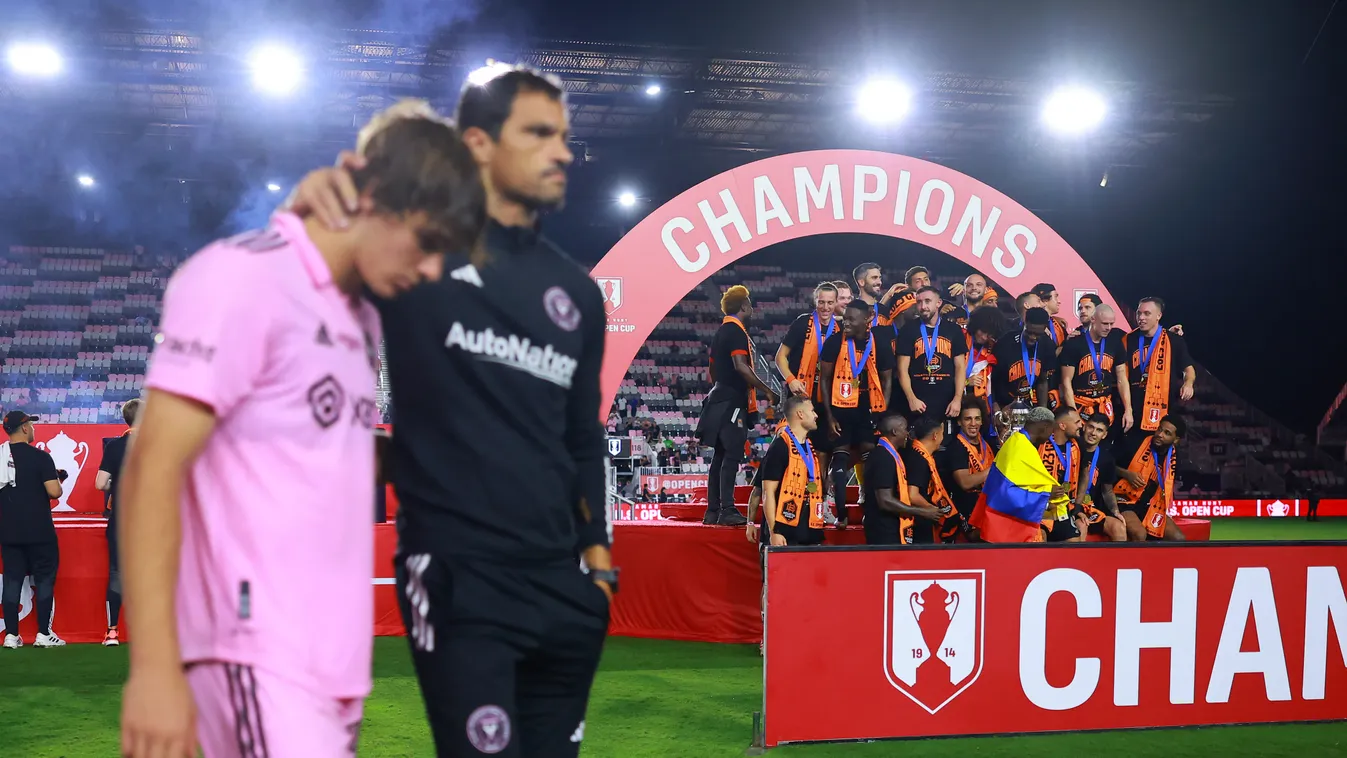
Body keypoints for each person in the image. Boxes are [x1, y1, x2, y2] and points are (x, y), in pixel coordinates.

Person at [118, 104, 485, 757]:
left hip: (331, 664)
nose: (431, 270)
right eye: (427, 243)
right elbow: (152, 466)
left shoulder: (360, 319)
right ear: (373, 198)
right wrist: (153, 671)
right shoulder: (243, 277)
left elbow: (319, 449)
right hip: (251, 648)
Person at [289, 66, 629, 757]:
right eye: (538, 133)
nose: (562, 151)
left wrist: (597, 568)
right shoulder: (415, 250)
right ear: (476, 143)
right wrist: (307, 215)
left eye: (564, 135)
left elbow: (582, 438)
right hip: (457, 576)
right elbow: (300, 318)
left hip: (563, 587)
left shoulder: (575, 292)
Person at [699, 284, 777, 526]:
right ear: (744, 305)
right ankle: (727, 510)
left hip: (719, 397)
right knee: (731, 454)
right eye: (750, 302)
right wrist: (767, 389)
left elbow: (712, 369)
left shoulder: (721, 331)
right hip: (732, 400)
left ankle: (712, 512)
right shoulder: (735, 331)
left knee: (720, 456)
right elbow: (741, 365)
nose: (752, 306)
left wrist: (722, 386)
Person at [818, 300, 895, 527]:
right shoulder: (834, 342)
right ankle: (841, 515)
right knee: (839, 466)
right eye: (845, 318)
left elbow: (888, 378)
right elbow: (824, 378)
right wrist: (829, 416)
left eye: (852, 319)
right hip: (840, 410)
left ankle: (871, 511)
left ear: (867, 319)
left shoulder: (878, 342)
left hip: (868, 410)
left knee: (871, 460)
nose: (846, 323)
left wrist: (882, 411)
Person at [0, 411, 66, 649]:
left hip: (9, 531)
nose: (34, 429)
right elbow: (54, 492)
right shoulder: (41, 457)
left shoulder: (0, 457)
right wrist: (58, 480)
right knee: (45, 580)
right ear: (25, 428)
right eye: (31, 425)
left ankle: (11, 636)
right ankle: (43, 634)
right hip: (39, 531)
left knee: (12, 581)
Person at [774, 282, 839, 509]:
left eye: (830, 302)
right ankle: (787, 500)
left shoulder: (840, 329)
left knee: (823, 455)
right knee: (792, 449)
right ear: (815, 301)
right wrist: (791, 380)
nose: (825, 307)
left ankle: (818, 503)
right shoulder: (802, 323)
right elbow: (780, 357)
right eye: (821, 302)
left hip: (824, 401)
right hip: (799, 398)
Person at [94, 398, 141, 647]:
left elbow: (100, 484)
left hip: (122, 521)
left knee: (117, 574)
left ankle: (112, 632)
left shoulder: (114, 447)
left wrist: (117, 484)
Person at [756, 395, 826, 548]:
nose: (816, 415)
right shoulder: (779, 447)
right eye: (812, 411)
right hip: (785, 534)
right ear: (800, 414)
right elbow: (768, 493)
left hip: (810, 531)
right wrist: (774, 532)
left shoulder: (809, 446)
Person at [863, 415, 943, 544]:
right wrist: (921, 511)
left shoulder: (888, 454)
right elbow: (885, 501)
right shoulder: (883, 457)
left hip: (890, 527)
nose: (907, 434)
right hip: (883, 531)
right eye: (905, 429)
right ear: (894, 432)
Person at [895, 286, 967, 425]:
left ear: (939, 303)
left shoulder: (953, 329)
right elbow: (902, 369)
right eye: (919, 302)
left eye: (928, 301)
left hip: (947, 402)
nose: (923, 306)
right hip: (917, 401)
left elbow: (960, 367)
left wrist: (957, 399)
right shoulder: (908, 329)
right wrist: (911, 399)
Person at [1125, 297, 1196, 432]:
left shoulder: (1173, 340)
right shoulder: (1127, 339)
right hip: (1132, 409)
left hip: (1164, 408)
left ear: (1159, 315)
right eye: (1139, 313)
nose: (1141, 317)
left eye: (1147, 313)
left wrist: (1188, 383)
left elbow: (1188, 369)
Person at [1113, 415, 1188, 542]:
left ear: (1175, 440)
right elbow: (1106, 465)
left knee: (1178, 538)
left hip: (1149, 505)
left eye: (1167, 433)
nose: (1160, 434)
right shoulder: (1135, 443)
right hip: (1124, 499)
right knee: (1139, 534)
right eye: (1159, 429)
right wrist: (1127, 474)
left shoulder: (1174, 457)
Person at [1058, 304, 1133, 431]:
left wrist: (1128, 409)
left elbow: (1122, 378)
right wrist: (1074, 414)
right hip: (1080, 404)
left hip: (1105, 404)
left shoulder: (1115, 342)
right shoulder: (1074, 344)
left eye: (1111, 323)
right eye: (1105, 323)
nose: (1108, 328)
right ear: (1093, 319)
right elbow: (1066, 381)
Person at [903, 417, 963, 542]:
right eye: (942, 433)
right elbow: (912, 495)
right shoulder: (918, 459)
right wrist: (933, 510)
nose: (943, 437)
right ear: (935, 435)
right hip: (919, 518)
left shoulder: (919, 454)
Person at [991, 307, 1057, 410]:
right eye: (1029, 332)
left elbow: (1042, 380)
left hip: (1028, 404)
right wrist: (996, 409)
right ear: (1025, 323)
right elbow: (992, 380)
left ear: (1045, 328)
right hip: (1004, 405)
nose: (1033, 337)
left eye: (1038, 334)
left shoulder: (1047, 344)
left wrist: (1042, 410)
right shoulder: (1005, 343)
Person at [1036, 406, 1085, 543]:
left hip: (1063, 507)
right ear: (1062, 425)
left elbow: (1085, 474)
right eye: (1076, 422)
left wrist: (1078, 506)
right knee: (1040, 537)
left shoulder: (1078, 445)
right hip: (1040, 507)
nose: (1081, 425)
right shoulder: (1039, 443)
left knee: (1074, 541)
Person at [1076, 414, 1127, 542]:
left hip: (1092, 509)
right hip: (1071, 506)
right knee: (1082, 526)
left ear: (1104, 435)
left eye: (1099, 430)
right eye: (1091, 427)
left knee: (1119, 528)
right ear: (1084, 427)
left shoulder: (1107, 458)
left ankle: (1118, 562)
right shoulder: (1071, 448)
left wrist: (1115, 511)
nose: (1093, 433)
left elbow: (1107, 490)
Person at [944, 399, 997, 522]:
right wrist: (995, 469)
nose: (973, 423)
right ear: (959, 422)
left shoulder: (988, 444)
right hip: (967, 509)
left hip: (990, 504)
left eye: (977, 418)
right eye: (968, 419)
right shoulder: (956, 447)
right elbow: (965, 483)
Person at [964, 305, 1005, 406]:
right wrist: (966, 382)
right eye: (982, 331)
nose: (984, 337)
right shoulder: (960, 339)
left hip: (983, 401)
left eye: (989, 334)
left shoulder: (994, 348)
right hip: (958, 401)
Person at [1030, 283, 1071, 350]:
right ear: (1045, 300)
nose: (1059, 301)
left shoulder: (1058, 324)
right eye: (1055, 296)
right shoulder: (1031, 326)